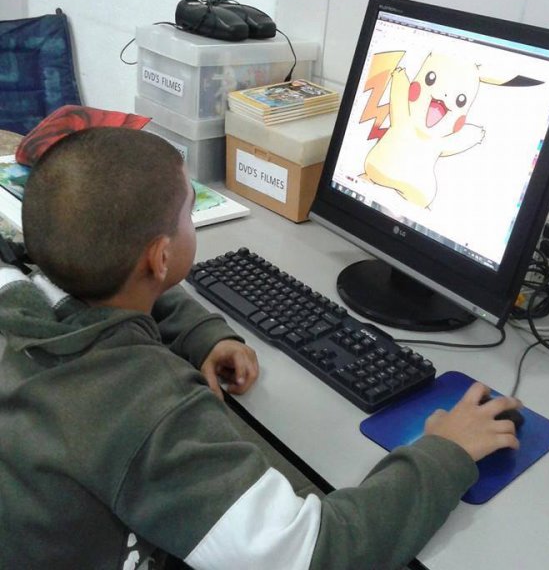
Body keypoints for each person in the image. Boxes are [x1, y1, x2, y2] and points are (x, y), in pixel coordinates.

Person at [0, 126, 521, 570]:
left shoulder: (22, 288)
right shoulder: (141, 412)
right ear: (161, 258)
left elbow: (121, 290)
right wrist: (447, 452)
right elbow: (318, 552)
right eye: (188, 212)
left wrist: (203, 333)